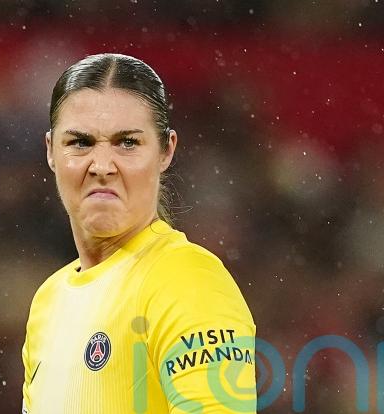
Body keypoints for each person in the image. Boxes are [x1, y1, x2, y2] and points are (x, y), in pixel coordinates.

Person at [21, 53, 256, 413]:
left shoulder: (188, 281)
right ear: (51, 151)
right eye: (80, 142)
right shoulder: (48, 301)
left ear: (166, 151)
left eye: (127, 142)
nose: (102, 166)